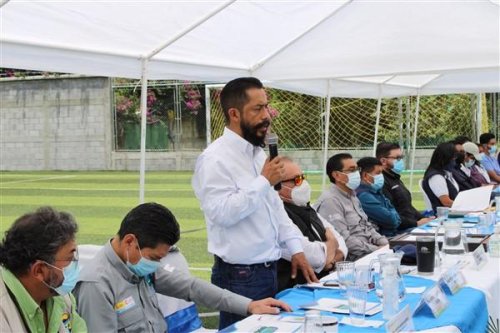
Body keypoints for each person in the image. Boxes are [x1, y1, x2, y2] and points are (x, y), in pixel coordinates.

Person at [191, 77, 316, 329]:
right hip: (240, 275)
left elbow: (275, 210)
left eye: (266, 106)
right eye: (257, 109)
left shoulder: (259, 154)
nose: (267, 115)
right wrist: (263, 181)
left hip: (269, 269)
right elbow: (221, 213)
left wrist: (296, 249)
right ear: (234, 114)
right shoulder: (214, 159)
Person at [74, 202, 290, 333]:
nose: (157, 265)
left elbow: (191, 287)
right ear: (130, 241)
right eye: (154, 257)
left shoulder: (137, 263)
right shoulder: (97, 285)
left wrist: (250, 305)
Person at [0, 207, 87, 333]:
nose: (74, 264)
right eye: (69, 259)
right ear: (39, 270)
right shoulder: (3, 314)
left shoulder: (60, 295)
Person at [277, 157, 347, 291]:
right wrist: (332, 242)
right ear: (277, 185)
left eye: (303, 177)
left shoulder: (306, 207)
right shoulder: (279, 213)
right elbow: (314, 257)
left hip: (323, 281)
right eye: (296, 180)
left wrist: (332, 259)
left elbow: (341, 241)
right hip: (295, 289)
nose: (303, 184)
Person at [314, 153, 388, 261]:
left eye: (357, 169)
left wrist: (385, 244)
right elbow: (344, 240)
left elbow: (367, 226)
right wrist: (376, 250)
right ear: (336, 175)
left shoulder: (352, 196)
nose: (357, 173)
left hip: (370, 252)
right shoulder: (330, 201)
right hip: (355, 259)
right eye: (352, 170)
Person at [376, 142, 433, 229]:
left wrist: (424, 219)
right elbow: (390, 214)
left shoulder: (395, 178)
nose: (401, 161)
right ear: (383, 161)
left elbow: (407, 206)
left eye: (401, 157)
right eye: (398, 158)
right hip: (400, 230)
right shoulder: (381, 182)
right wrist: (415, 223)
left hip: (410, 226)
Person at [356, 157, 402, 236]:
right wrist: (394, 216)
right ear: (365, 175)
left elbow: (394, 214)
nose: (381, 176)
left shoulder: (376, 190)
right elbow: (391, 220)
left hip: (392, 234)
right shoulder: (364, 196)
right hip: (382, 238)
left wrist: (393, 216)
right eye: (378, 173)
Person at [422, 142, 460, 213]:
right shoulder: (436, 177)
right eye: (453, 158)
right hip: (443, 216)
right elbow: (446, 202)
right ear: (446, 158)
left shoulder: (446, 173)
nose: (455, 160)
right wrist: (465, 206)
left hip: (453, 212)